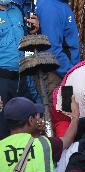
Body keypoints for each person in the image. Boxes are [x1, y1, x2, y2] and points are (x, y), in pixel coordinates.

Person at [0, 96, 79, 172]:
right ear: (30, 120)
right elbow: (67, 139)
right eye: (36, 116)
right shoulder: (44, 143)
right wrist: (75, 116)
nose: (39, 119)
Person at [0, 0, 39, 139]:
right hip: (2, 81)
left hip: (21, 78)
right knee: (3, 130)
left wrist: (34, 29)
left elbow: (25, 42)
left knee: (26, 127)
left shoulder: (17, 11)